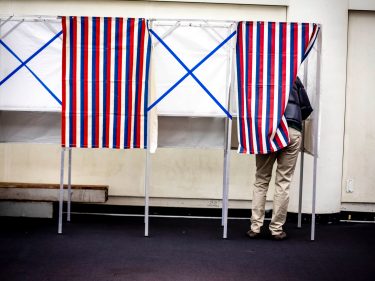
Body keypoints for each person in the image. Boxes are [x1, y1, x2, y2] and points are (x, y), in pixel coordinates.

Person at [247, 76, 313, 240]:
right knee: (283, 181)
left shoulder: (260, 74)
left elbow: (251, 105)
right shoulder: (294, 78)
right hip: (292, 129)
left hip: (269, 129)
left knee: (262, 179)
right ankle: (276, 229)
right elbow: (306, 108)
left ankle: (255, 227)